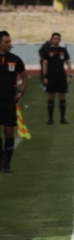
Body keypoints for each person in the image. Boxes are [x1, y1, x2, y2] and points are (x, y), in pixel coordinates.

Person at [0, 31, 28, 173]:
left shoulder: (15, 59)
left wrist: (20, 93)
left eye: (10, 41)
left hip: (9, 102)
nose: (10, 44)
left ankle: (7, 165)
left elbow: (25, 78)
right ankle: (1, 157)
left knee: (9, 132)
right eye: (6, 42)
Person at [41, 33, 72, 125]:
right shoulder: (48, 50)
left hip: (61, 76)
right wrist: (44, 76)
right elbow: (45, 64)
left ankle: (62, 118)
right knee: (51, 97)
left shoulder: (63, 50)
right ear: (52, 40)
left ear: (60, 40)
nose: (56, 40)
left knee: (62, 96)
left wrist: (69, 76)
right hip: (51, 77)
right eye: (55, 38)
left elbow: (68, 62)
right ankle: (50, 119)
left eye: (58, 38)